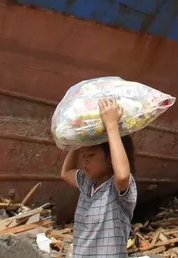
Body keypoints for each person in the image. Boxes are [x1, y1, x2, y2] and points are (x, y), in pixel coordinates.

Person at [59, 98, 137, 257]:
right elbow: (66, 173)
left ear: (110, 159)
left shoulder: (116, 189)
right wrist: (79, 140)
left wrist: (112, 126)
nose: (84, 160)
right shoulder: (88, 184)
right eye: (83, 155)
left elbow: (122, 175)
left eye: (91, 155)